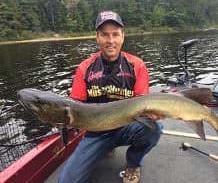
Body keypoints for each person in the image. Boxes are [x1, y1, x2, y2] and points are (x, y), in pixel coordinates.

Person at [59, 11, 163, 183]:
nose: (111, 40)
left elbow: (143, 104)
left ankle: (133, 164)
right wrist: (61, 119)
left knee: (155, 128)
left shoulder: (137, 66)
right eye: (105, 35)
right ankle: (105, 148)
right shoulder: (84, 68)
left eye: (115, 34)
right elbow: (75, 106)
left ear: (123, 36)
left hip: (126, 127)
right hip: (96, 134)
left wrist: (151, 113)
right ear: (97, 37)